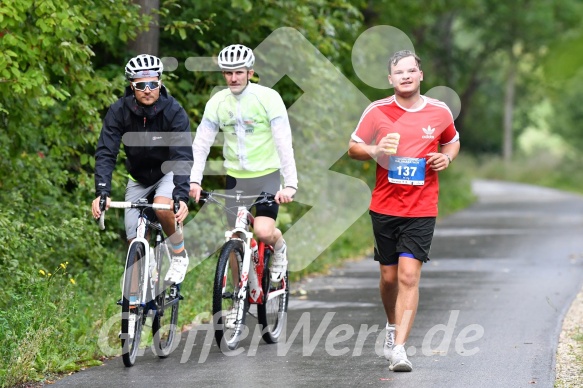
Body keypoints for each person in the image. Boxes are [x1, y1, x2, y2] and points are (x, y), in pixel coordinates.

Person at [348, 50, 460, 372]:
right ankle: (391, 325)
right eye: (400, 72)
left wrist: (447, 158)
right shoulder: (377, 110)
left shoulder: (439, 112)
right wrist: (372, 149)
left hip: (422, 206)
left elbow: (452, 141)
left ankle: (399, 348)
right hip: (385, 205)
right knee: (389, 278)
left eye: (412, 71)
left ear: (421, 75)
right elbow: (353, 147)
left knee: (409, 276)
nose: (406, 76)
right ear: (390, 79)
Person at [189, 44, 298, 283]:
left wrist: (290, 184)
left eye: (239, 72)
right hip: (236, 178)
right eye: (228, 73)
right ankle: (239, 296)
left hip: (267, 175)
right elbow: (201, 144)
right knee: (234, 238)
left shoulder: (268, 98)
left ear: (250, 72)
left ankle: (279, 249)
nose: (233, 78)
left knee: (262, 231)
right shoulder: (217, 102)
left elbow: (283, 142)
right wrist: (194, 180)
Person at [91, 54, 193, 285]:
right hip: (138, 178)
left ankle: (179, 255)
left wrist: (181, 196)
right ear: (131, 86)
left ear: (159, 82)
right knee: (133, 239)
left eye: (152, 84)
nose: (147, 90)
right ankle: (140, 296)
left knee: (164, 207)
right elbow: (107, 152)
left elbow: (182, 156)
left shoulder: (174, 111)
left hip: (167, 172)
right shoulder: (119, 111)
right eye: (140, 85)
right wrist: (102, 192)